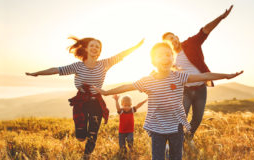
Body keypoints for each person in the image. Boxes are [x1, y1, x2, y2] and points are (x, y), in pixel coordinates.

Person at [93, 42, 243, 160]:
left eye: (168, 54)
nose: (165, 58)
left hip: (177, 126)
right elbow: (127, 86)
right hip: (157, 127)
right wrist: (106, 92)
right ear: (153, 61)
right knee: (157, 158)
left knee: (176, 157)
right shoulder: (147, 81)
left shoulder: (179, 77)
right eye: (160, 56)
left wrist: (226, 75)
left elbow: (204, 76)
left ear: (172, 58)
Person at [26, 37, 144, 159]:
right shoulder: (78, 66)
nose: (94, 48)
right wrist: (37, 73)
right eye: (92, 45)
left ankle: (86, 156)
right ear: (86, 49)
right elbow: (56, 70)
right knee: (81, 136)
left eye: (97, 47)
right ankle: (82, 134)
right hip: (81, 103)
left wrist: (136, 46)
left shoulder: (104, 64)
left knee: (93, 134)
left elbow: (121, 55)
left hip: (96, 103)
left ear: (99, 52)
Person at [162, 5, 234, 139]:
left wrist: (221, 17)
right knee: (179, 118)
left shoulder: (191, 43)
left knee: (197, 119)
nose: (172, 41)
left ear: (176, 37)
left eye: (172, 38)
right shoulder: (169, 58)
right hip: (184, 90)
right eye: (168, 41)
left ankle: (187, 138)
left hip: (201, 89)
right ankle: (176, 142)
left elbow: (205, 31)